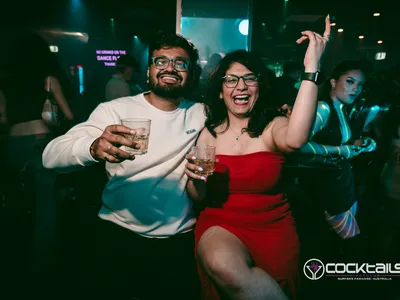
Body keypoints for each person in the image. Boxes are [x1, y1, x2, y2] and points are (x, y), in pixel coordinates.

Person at [42, 32, 204, 299]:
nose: (170, 68)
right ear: (149, 70)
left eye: (180, 63)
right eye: (160, 61)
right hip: (118, 235)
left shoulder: (201, 113)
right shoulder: (114, 110)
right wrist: (93, 148)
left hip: (178, 242)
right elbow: (50, 156)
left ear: (190, 73)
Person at [184, 16, 331, 300]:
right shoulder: (208, 134)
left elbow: (297, 138)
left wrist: (312, 67)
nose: (240, 86)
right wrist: (195, 178)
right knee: (223, 266)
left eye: (249, 78)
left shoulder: (272, 126)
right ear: (220, 89)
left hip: (273, 229)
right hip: (220, 224)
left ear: (259, 86)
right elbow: (197, 196)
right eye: (231, 80)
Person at [0, 30, 74, 288]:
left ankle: (12, 261)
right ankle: (44, 266)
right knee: (45, 205)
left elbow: (4, 118)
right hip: (39, 143)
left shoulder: (5, 81)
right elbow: (68, 113)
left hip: (13, 144)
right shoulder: (48, 79)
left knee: (17, 201)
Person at [298, 60, 377, 259]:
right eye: (350, 82)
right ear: (333, 82)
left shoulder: (342, 109)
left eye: (359, 85)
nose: (355, 89)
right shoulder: (323, 108)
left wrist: (364, 143)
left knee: (338, 247)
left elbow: (346, 143)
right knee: (352, 247)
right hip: (328, 192)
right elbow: (298, 144)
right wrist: (341, 150)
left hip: (343, 187)